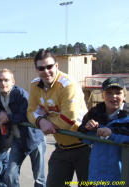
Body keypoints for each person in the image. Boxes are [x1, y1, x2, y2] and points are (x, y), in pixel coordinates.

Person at [27, 50, 90, 187]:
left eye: (49, 66)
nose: (46, 71)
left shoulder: (68, 84)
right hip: (61, 147)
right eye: (41, 68)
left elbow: (67, 122)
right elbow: (30, 112)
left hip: (85, 147)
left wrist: (44, 116)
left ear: (56, 65)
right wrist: (41, 121)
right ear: (36, 69)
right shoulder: (34, 85)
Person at [0, 69, 46, 187]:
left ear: (13, 82)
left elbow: (26, 115)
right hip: (17, 139)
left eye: (6, 80)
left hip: (34, 139)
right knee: (10, 175)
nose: (3, 83)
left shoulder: (20, 94)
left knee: (39, 178)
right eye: (0, 80)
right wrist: (0, 112)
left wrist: (7, 118)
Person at [78, 76, 129, 184]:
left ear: (124, 95)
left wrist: (112, 134)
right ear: (102, 95)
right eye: (108, 92)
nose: (113, 96)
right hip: (96, 177)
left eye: (118, 93)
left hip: (120, 178)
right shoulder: (94, 112)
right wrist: (89, 128)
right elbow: (81, 136)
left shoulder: (127, 115)